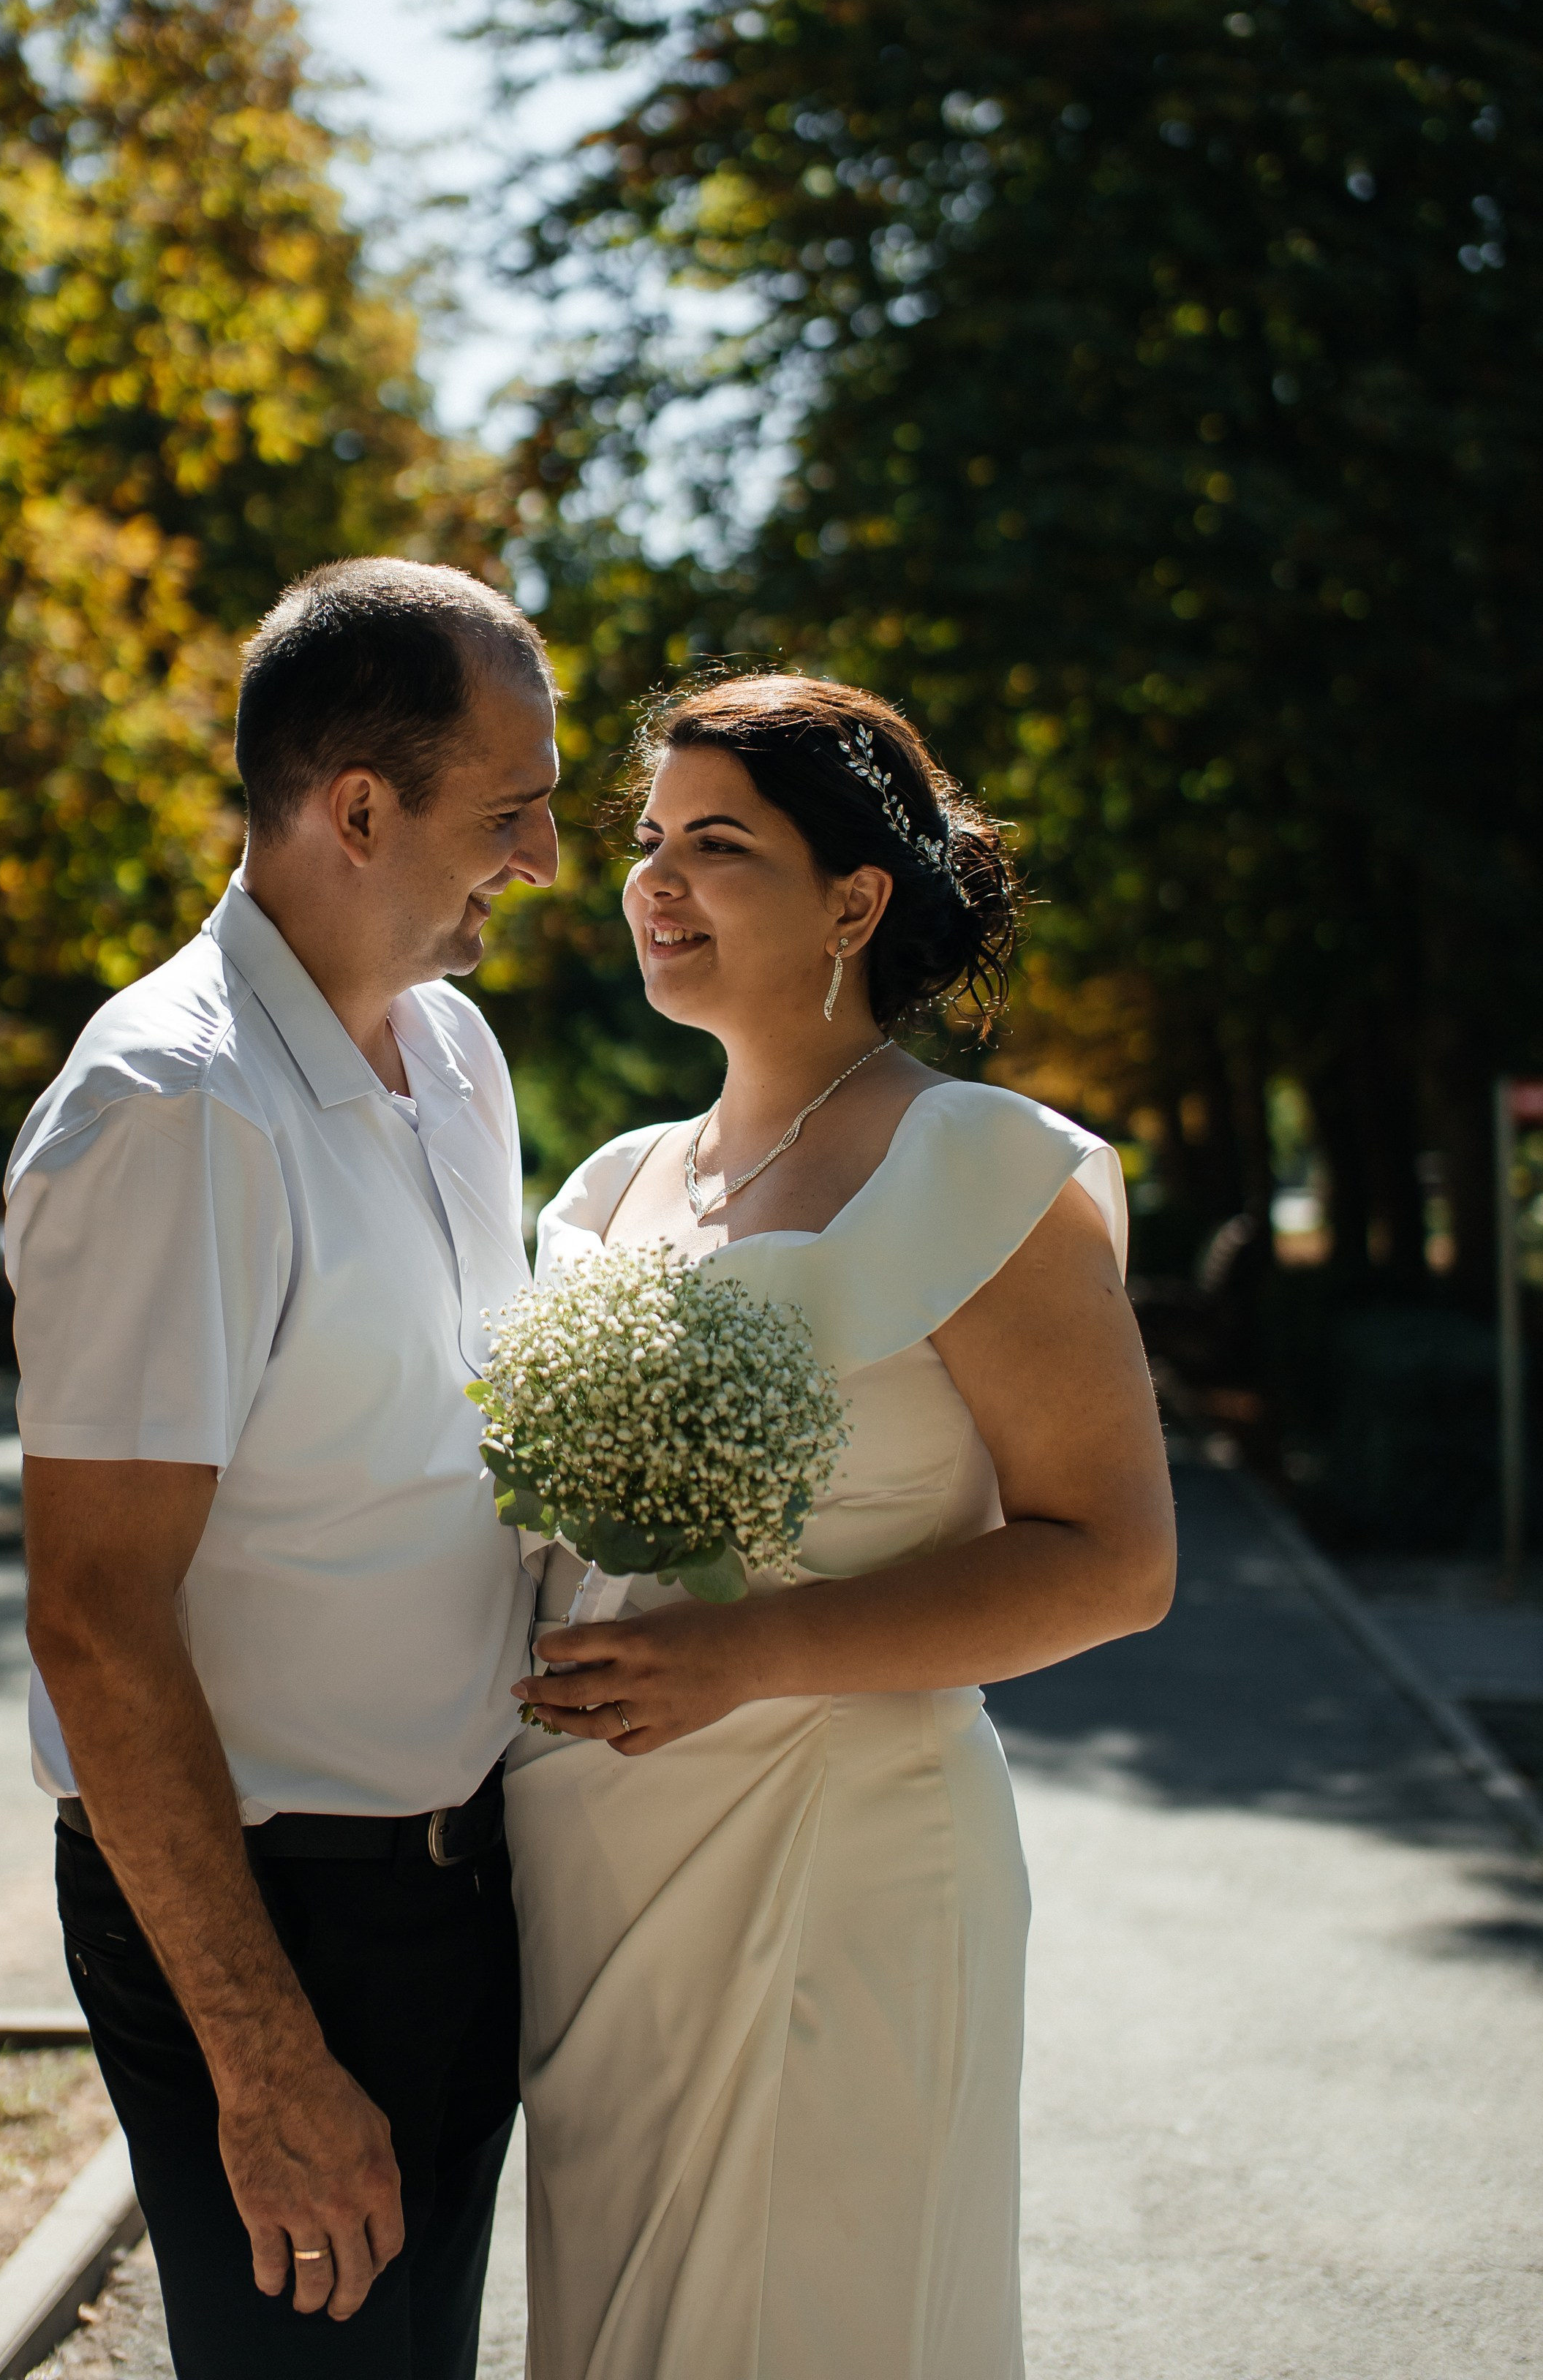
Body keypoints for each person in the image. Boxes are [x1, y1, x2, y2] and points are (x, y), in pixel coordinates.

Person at [505, 674, 1177, 2380]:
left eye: (718, 845)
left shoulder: (980, 1167)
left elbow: (1117, 1558)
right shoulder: (611, 1186)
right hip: (602, 1876)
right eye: (650, 840)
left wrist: (752, 1654)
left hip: (850, 1859)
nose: (656, 881)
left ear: (856, 900)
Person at [7, 557, 559, 2378]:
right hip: (276, 1923)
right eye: (513, 811)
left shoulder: (459, 1055)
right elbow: (95, 1621)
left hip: (461, 1884)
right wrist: (264, 2058)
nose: (548, 859)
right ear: (357, 808)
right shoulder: (175, 1111)